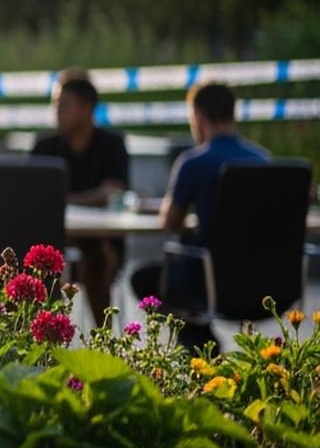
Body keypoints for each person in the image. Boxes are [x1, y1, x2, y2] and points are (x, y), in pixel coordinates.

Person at [129, 82, 269, 348]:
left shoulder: (194, 162)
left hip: (210, 282)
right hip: (264, 283)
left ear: (199, 116)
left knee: (144, 278)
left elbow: (169, 223)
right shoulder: (263, 160)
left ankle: (203, 348)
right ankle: (207, 350)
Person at [31, 70, 130, 321]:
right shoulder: (44, 146)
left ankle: (102, 340)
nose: (57, 112)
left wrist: (62, 199)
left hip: (100, 241)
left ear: (87, 108)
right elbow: (30, 193)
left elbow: (113, 192)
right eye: (55, 105)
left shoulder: (112, 145)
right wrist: (93, 196)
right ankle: (39, 338)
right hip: (54, 240)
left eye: (64, 105)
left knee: (97, 257)